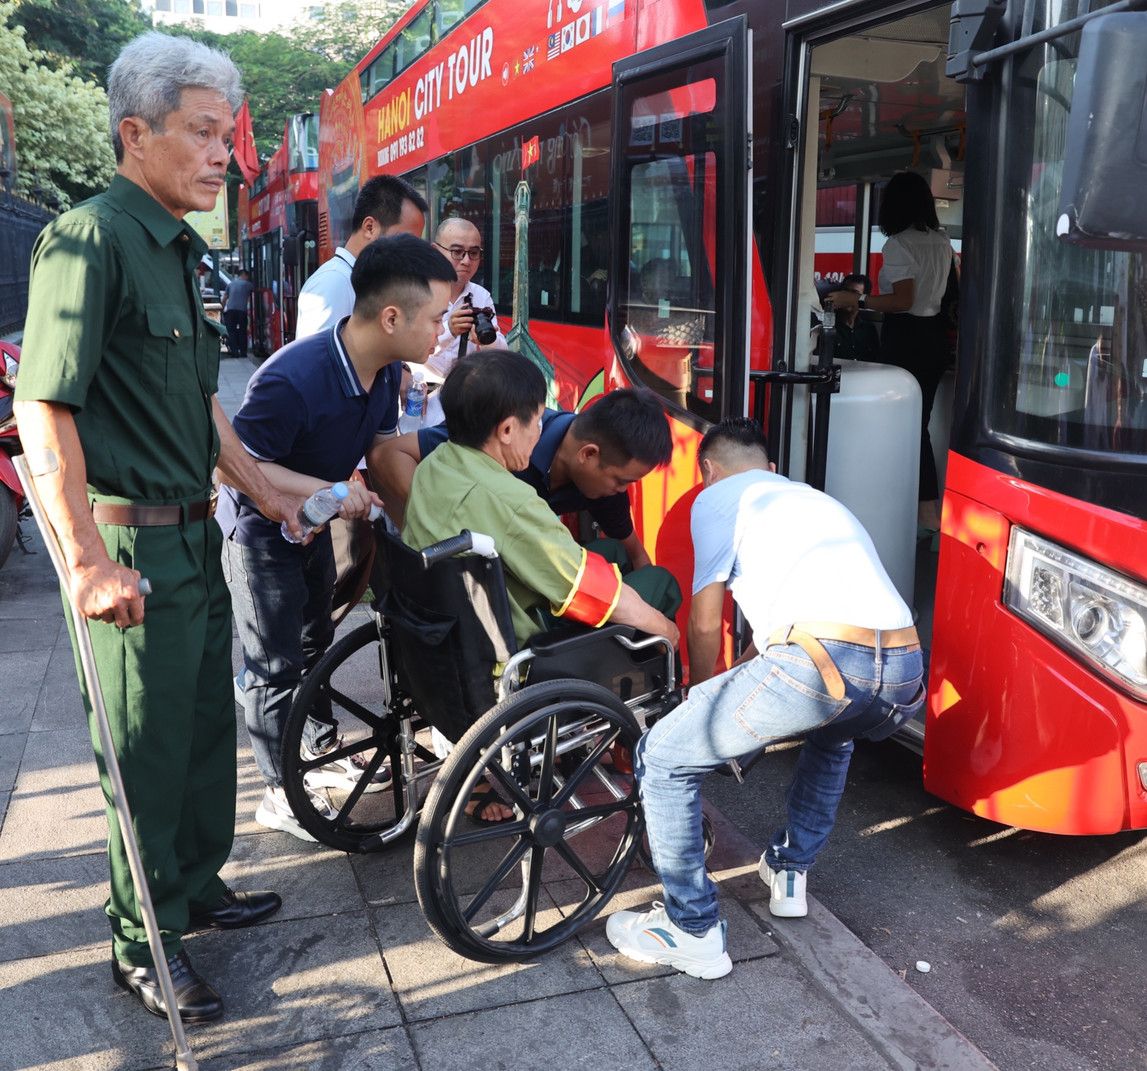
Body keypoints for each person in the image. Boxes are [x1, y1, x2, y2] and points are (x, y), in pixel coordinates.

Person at [14, 32, 301, 1025]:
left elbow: (196, 403)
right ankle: (143, 944)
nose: (224, 155)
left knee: (199, 732)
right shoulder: (88, 239)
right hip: (126, 541)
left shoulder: (184, 250)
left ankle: (194, 886)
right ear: (136, 134)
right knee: (142, 749)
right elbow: (43, 409)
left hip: (193, 533)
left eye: (226, 136)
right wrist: (85, 559)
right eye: (204, 135)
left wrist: (264, 491)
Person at [605, 417, 924, 980]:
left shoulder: (719, 496)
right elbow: (765, 650)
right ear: (772, 468)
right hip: (902, 668)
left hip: (822, 659)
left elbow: (705, 626)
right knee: (834, 733)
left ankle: (691, 930)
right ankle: (790, 871)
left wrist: (693, 710)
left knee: (664, 755)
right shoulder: (809, 499)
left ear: (709, 471)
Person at [218, 234, 455, 840]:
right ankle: (277, 791)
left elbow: (378, 448)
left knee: (315, 642)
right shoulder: (295, 377)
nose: (442, 332)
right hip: (260, 537)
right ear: (392, 315)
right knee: (273, 666)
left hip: (314, 528)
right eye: (435, 318)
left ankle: (318, 754)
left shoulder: (387, 372)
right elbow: (238, 463)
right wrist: (330, 483)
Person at [402, 350, 680, 653]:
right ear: (507, 430)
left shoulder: (433, 463)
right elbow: (592, 593)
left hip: (448, 621)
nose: (540, 432)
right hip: (513, 637)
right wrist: (666, 630)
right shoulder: (514, 502)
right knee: (659, 581)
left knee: (612, 553)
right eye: (537, 422)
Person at [369, 386, 670, 574]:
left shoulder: (603, 488)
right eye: (621, 481)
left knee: (621, 560)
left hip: (503, 575)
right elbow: (387, 455)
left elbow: (635, 553)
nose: (621, 490)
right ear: (588, 454)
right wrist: (439, 524)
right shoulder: (506, 438)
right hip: (470, 576)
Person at [829, 172, 955, 532]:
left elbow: (903, 300)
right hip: (934, 339)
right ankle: (923, 510)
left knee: (905, 427)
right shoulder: (941, 242)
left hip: (907, 338)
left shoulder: (899, 245)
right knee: (919, 426)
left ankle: (919, 511)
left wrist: (859, 298)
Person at [295, 174, 428, 339]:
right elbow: (316, 362)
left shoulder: (359, 281)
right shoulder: (333, 282)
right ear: (370, 228)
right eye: (405, 240)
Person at [413, 216, 495, 425]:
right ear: (435, 250)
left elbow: (499, 354)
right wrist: (449, 330)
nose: (466, 261)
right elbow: (407, 349)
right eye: (457, 252)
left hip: (463, 395)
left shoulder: (481, 296)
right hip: (420, 391)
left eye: (473, 253)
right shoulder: (416, 291)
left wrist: (485, 341)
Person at [832, 273, 880, 362]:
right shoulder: (828, 327)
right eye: (845, 292)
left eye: (854, 294)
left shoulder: (869, 329)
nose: (848, 297)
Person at [222, 268, 253, 359]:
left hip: (231, 310)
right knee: (243, 330)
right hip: (242, 311)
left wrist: (221, 310)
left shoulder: (231, 284)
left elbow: (225, 298)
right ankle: (243, 352)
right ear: (244, 275)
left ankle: (234, 351)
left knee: (231, 331)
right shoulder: (249, 285)